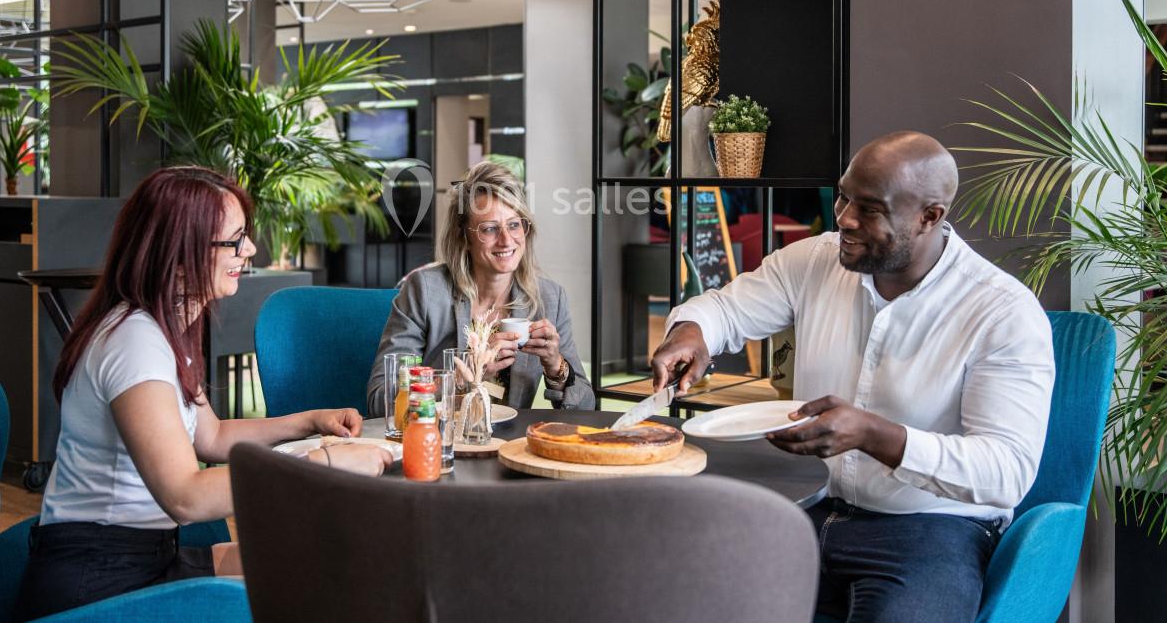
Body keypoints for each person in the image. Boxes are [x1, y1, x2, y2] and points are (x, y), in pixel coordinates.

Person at [652, 132, 1054, 623]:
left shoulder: (1002, 311)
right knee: (676, 597)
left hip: (928, 529)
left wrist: (872, 434)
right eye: (844, 196)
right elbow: (726, 311)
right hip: (806, 507)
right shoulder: (815, 260)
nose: (844, 217)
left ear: (930, 216)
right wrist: (692, 333)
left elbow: (1006, 471)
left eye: (870, 208)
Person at [14, 167, 392, 621]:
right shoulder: (135, 342)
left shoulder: (160, 327)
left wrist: (308, 421)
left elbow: (209, 435)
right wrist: (324, 464)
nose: (249, 250)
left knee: (316, 566)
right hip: (99, 581)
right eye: (235, 240)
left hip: (144, 557)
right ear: (179, 251)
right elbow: (186, 497)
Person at [367, 161, 594, 414]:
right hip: (442, 442)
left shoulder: (550, 299)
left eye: (514, 224)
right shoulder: (425, 291)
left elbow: (586, 405)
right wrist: (466, 374)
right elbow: (381, 400)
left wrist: (556, 367)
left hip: (510, 446)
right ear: (463, 237)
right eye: (489, 229)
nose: (507, 240)